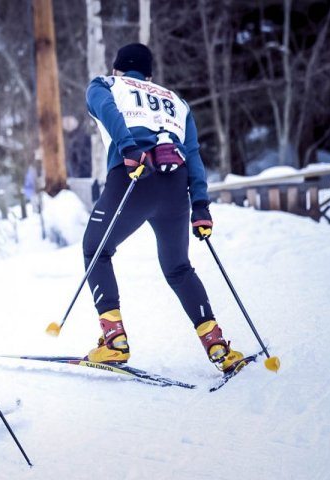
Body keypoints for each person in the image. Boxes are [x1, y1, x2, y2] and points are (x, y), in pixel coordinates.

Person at [82, 43, 244, 372]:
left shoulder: (107, 84)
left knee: (96, 250)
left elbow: (106, 110)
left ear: (117, 68)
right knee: (178, 268)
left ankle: (115, 340)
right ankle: (216, 345)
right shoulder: (177, 102)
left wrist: (128, 146)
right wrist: (200, 206)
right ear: (151, 75)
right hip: (175, 184)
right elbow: (194, 154)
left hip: (133, 173)